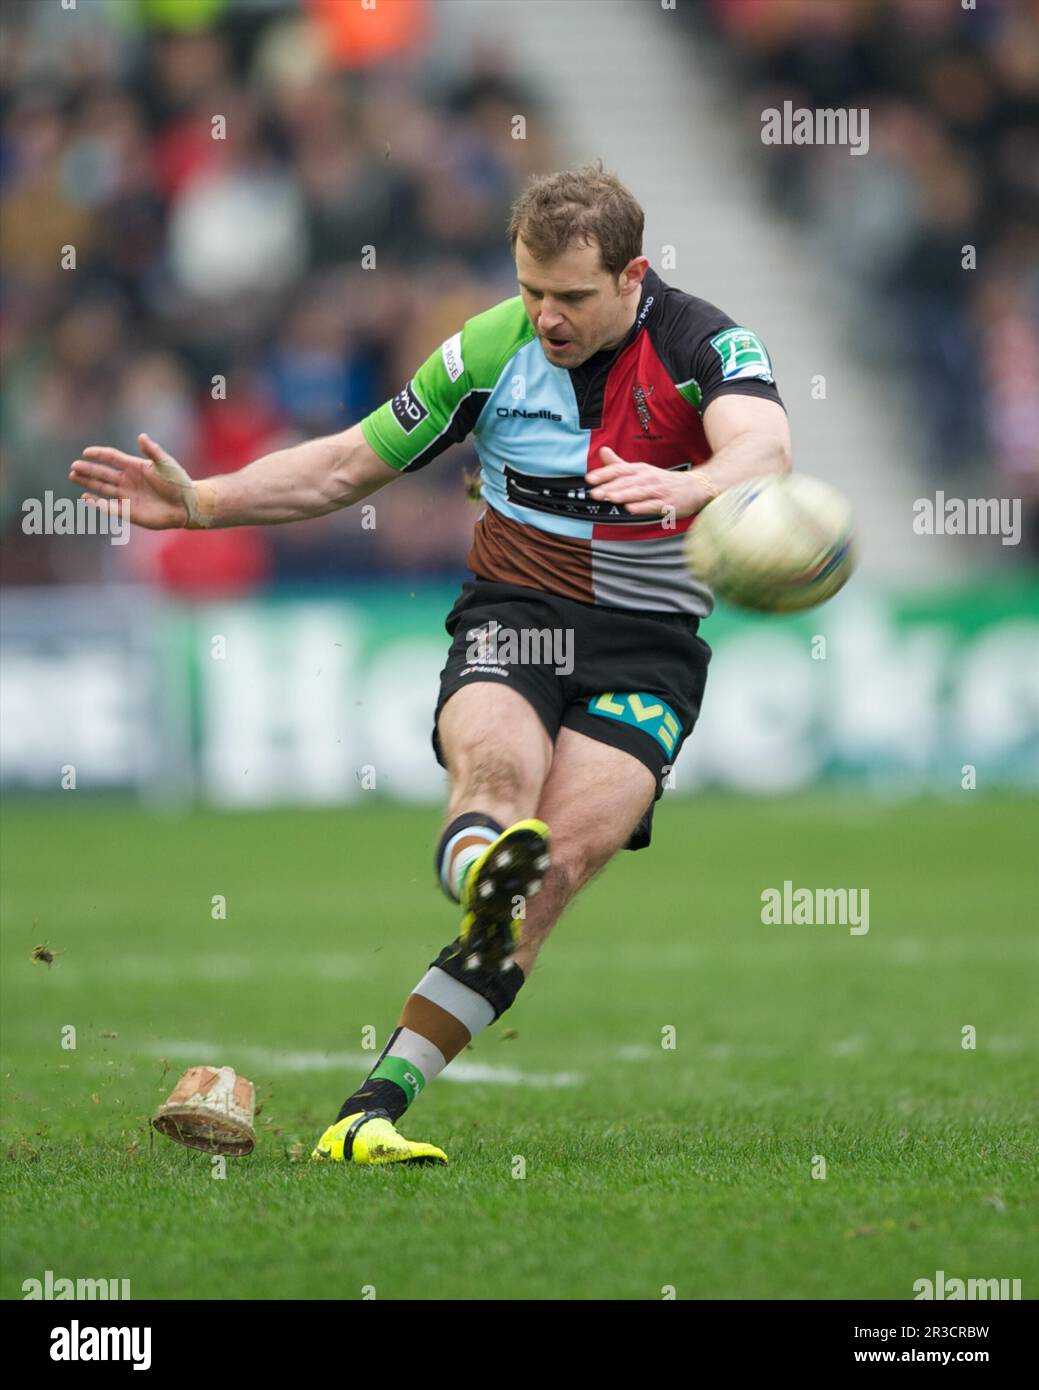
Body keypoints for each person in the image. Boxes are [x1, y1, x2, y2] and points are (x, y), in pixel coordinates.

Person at [70, 164, 791, 1167]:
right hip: (518, 614)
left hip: (648, 647)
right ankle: (475, 863)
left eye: (571, 297)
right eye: (531, 289)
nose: (545, 316)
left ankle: (368, 1113)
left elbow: (763, 449)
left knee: (560, 869)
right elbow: (344, 464)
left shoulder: (703, 343)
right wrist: (203, 501)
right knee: (495, 773)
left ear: (632, 276)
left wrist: (692, 485)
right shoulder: (489, 348)